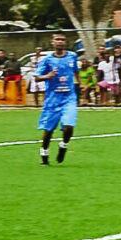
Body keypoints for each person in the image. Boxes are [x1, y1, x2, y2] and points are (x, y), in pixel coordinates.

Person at [35, 34, 81, 165]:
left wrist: (80, 84)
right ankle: (44, 153)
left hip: (69, 97)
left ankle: (64, 145)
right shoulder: (47, 60)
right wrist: (47, 76)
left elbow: (76, 71)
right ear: (52, 42)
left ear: (66, 42)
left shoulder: (72, 56)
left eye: (62, 40)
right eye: (57, 39)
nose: (60, 42)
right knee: (48, 130)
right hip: (53, 99)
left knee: (68, 126)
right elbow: (37, 77)